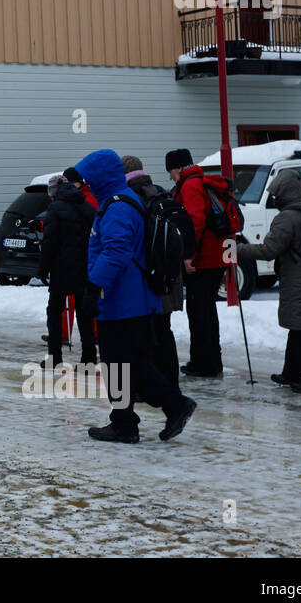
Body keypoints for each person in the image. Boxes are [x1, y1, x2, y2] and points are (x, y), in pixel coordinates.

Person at [76, 149, 196, 443]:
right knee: (129, 364)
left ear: (100, 177)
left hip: (123, 301)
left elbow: (117, 251)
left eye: (89, 179)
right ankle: (125, 420)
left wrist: (94, 286)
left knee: (124, 366)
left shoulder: (118, 206)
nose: (86, 185)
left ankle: (169, 407)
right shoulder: (118, 202)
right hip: (129, 300)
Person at [235, 169, 301, 394]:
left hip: (300, 284)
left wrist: (237, 249)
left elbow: (269, 250)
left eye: (275, 194)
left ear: (283, 194)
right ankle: (291, 373)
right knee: (297, 328)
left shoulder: (287, 218)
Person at [123, 155, 183, 387]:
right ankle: (170, 380)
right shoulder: (160, 192)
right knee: (163, 329)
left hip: (148, 276)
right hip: (169, 273)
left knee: (144, 333)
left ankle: (151, 384)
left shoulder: (131, 198)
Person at [168, 147, 226, 377]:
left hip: (203, 260)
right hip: (214, 257)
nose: (171, 176)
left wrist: (189, 255)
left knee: (199, 311)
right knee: (208, 310)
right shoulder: (200, 180)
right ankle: (212, 360)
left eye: (171, 171)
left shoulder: (190, 185)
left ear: (179, 167)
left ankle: (203, 363)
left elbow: (195, 221)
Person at [39, 173, 97, 367]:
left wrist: (42, 269)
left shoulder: (55, 209)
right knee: (84, 315)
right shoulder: (88, 208)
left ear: (54, 193)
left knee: (54, 312)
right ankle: (88, 359)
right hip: (84, 269)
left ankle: (54, 358)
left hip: (61, 270)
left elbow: (49, 243)